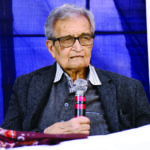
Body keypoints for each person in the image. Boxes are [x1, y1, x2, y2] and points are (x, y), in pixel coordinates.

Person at [1, 4, 150, 136]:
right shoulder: (26, 86)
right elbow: (7, 139)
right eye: (67, 40)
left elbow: (145, 140)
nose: (78, 48)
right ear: (51, 48)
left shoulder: (130, 89)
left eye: (85, 38)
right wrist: (44, 135)